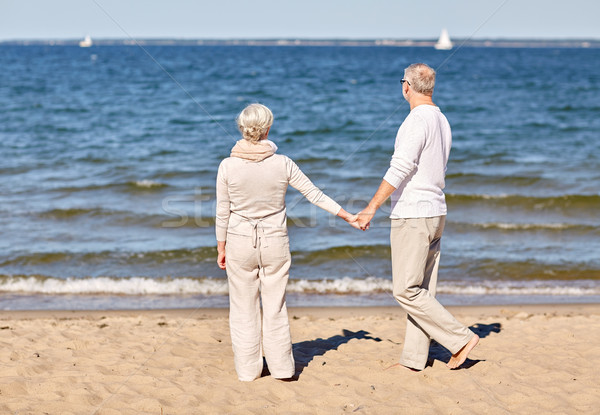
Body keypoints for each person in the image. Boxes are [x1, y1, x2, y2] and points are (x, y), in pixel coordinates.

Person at [216, 103, 360, 381]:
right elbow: (314, 194)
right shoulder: (283, 163)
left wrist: (221, 247)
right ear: (268, 129)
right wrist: (347, 216)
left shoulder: (227, 166)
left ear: (242, 130)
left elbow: (222, 211)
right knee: (275, 306)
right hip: (275, 244)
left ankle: (248, 372)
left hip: (239, 243)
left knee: (243, 307)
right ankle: (282, 369)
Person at [357, 63, 479, 370]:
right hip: (436, 210)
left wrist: (371, 206)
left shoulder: (415, 121)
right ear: (431, 87)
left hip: (414, 213)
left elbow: (400, 167)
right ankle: (413, 360)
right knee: (421, 290)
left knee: (405, 290)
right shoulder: (442, 120)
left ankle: (461, 339)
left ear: (406, 87)